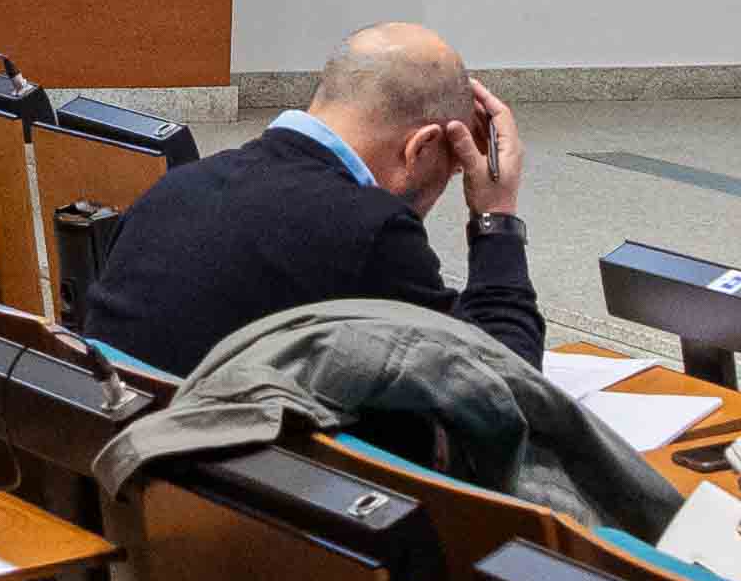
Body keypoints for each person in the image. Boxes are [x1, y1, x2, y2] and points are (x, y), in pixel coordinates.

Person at [75, 21, 540, 377]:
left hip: (135, 483)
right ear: (419, 148)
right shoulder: (370, 233)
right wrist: (496, 216)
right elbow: (510, 390)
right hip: (247, 497)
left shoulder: (174, 189)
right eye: (450, 168)